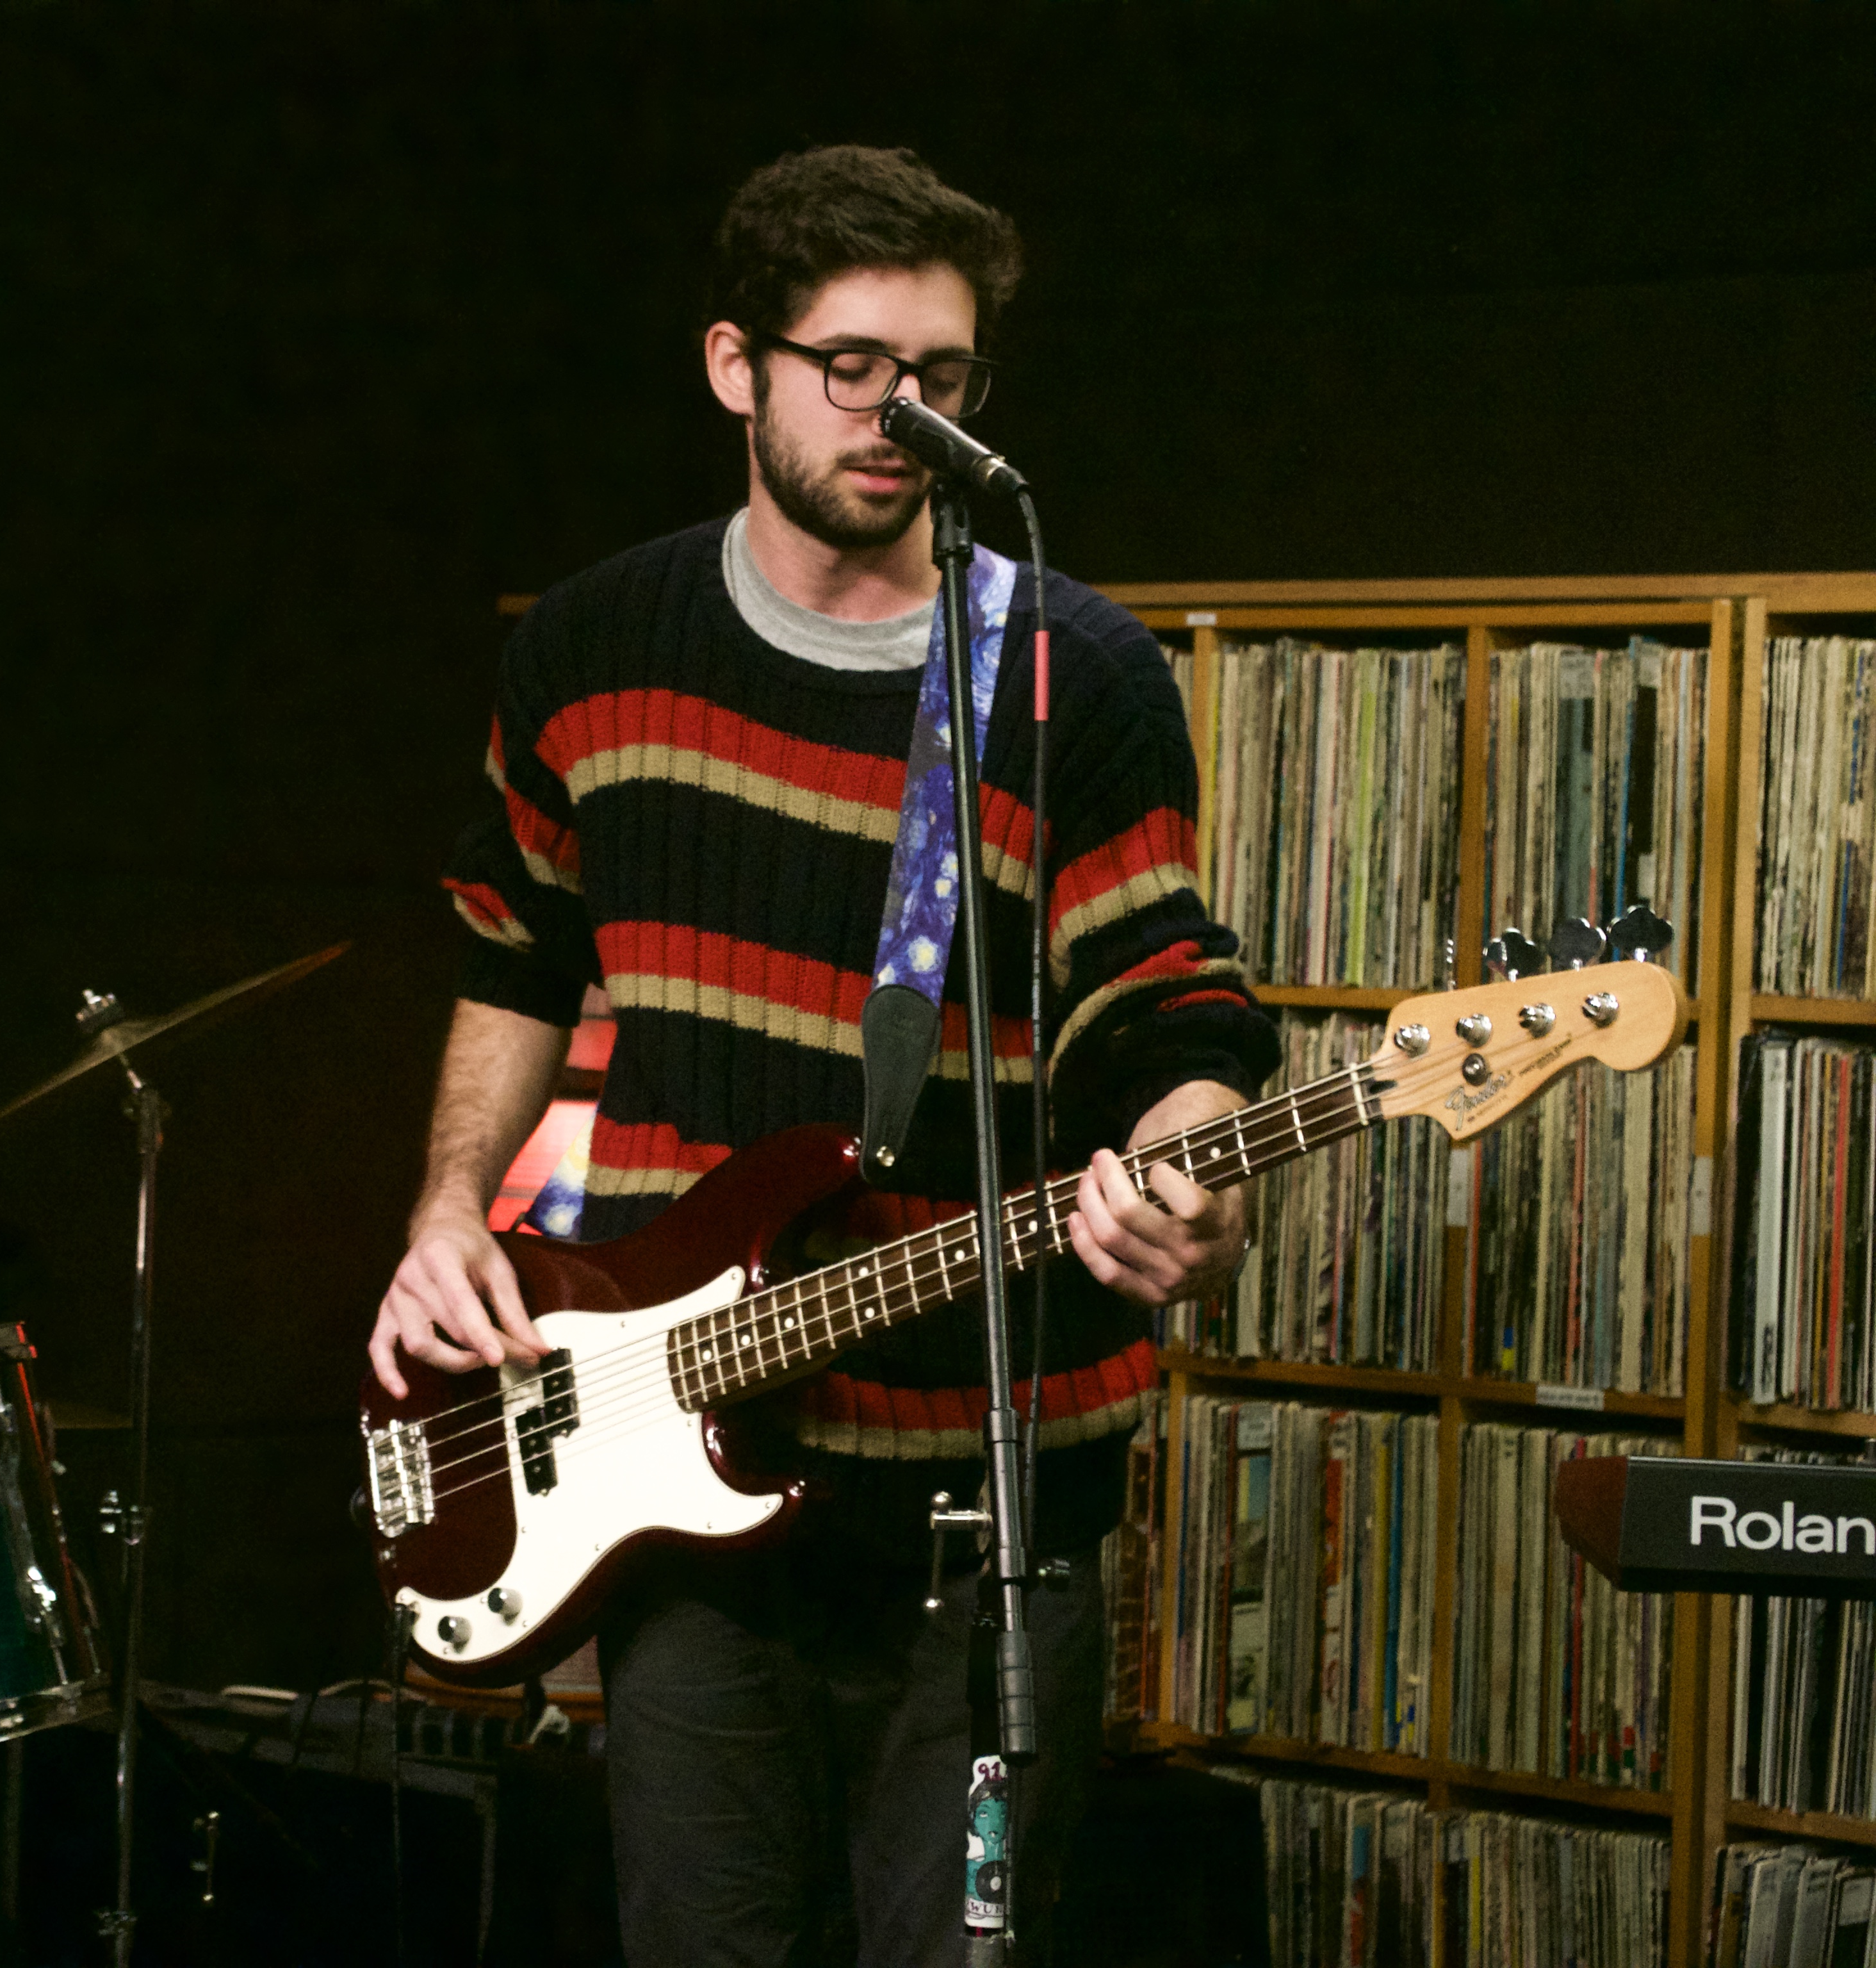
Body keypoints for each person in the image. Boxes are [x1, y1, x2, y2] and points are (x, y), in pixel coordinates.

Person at [370, 145, 1281, 1965]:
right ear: (737, 366)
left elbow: (1165, 991)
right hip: (672, 1457)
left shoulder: (1066, 671)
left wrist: (1199, 1163)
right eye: (854, 367)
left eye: (941, 376)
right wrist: (449, 1212)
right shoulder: (593, 646)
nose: (903, 417)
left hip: (983, 1509)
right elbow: (513, 954)